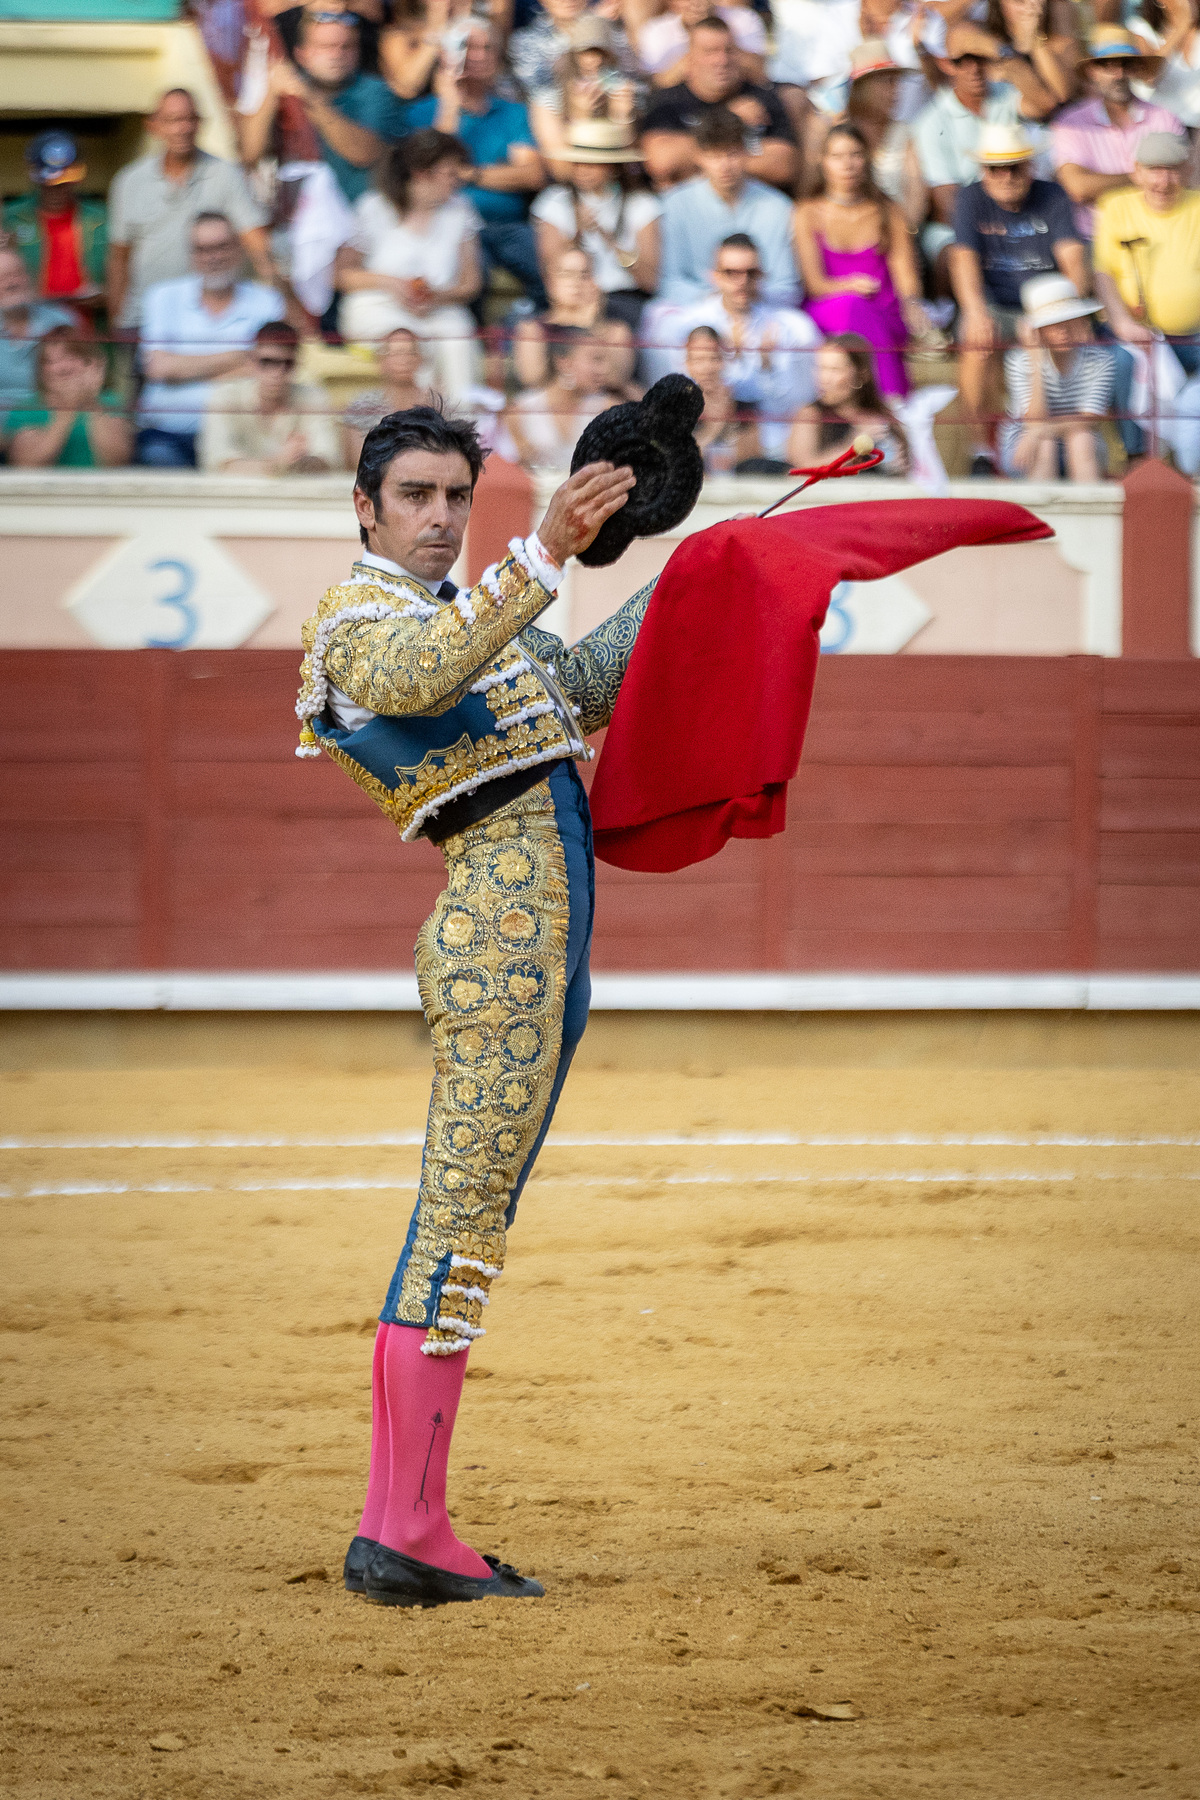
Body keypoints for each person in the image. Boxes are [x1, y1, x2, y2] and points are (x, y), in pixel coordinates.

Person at [293, 413, 645, 1608]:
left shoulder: (478, 619)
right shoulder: (354, 625)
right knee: (459, 1219)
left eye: (458, 494)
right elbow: (413, 674)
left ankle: (408, 1521)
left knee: (466, 1213)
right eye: (416, 494)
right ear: (365, 507)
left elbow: (583, 683)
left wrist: (713, 568)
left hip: (539, 947)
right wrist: (540, 550)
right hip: (497, 943)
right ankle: (405, 1529)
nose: (442, 514)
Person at [950, 122, 1088, 472]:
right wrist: (976, 312)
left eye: (1015, 166)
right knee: (975, 341)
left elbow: (1072, 255)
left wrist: (1070, 312)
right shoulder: (969, 198)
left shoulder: (1053, 195)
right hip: (995, 303)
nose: (1007, 176)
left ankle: (1056, 444)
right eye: (997, 168)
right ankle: (980, 450)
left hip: (1048, 304)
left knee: (1061, 338)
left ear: (1030, 167)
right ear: (984, 171)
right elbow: (962, 258)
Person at [107, 88, 290, 332]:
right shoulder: (130, 181)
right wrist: (115, 321)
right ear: (154, 126)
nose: (183, 128)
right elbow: (119, 258)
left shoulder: (224, 174)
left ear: (199, 123)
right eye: (173, 120)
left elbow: (258, 245)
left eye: (189, 119)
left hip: (204, 321)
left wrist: (287, 307)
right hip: (143, 318)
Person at [335, 129, 482, 399]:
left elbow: (470, 283)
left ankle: (463, 424)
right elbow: (343, 275)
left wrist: (437, 295)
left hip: (439, 310)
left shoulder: (461, 210)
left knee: (459, 338)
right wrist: (392, 283)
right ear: (422, 173)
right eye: (450, 173)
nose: (457, 181)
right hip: (381, 307)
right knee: (409, 344)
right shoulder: (373, 208)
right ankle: (418, 425)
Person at [136, 210, 287, 467]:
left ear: (238, 249)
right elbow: (158, 368)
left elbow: (269, 367)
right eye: (202, 250)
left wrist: (183, 368)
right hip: (170, 433)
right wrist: (241, 356)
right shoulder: (162, 296)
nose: (212, 257)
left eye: (221, 247)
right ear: (191, 255)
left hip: (241, 437)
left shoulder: (267, 300)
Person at [913, 22, 1052, 291]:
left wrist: (1002, 51)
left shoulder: (1006, 95)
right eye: (961, 61)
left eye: (980, 59)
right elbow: (947, 201)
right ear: (946, 65)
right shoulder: (931, 121)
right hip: (961, 222)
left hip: (1019, 208)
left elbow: (1044, 103)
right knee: (954, 255)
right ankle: (961, 320)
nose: (973, 69)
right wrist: (998, 231)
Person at [795, 122, 930, 397]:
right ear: (823, 161)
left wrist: (914, 305)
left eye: (854, 155)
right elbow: (815, 285)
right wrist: (849, 286)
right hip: (830, 307)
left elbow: (905, 277)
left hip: (884, 308)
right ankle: (891, 396)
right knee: (853, 307)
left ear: (866, 159)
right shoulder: (806, 213)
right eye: (837, 156)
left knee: (866, 314)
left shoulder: (889, 212)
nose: (847, 165)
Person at [240, 9, 417, 208]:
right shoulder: (286, 90)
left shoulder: (377, 91)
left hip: (360, 212)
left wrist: (310, 98)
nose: (337, 55)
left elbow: (364, 154)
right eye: (326, 47)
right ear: (301, 54)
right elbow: (249, 155)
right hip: (300, 216)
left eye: (346, 47)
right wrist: (270, 93)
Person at [1093, 130, 1200, 457]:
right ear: (1137, 171)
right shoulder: (1115, 206)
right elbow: (1104, 274)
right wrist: (1123, 321)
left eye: (1171, 169)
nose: (1163, 180)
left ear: (1185, 170)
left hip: (1193, 335)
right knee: (1124, 361)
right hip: (1138, 333)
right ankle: (1136, 456)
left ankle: (1189, 460)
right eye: (1154, 169)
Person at [430, 19, 548, 311]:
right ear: (450, 54)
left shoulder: (512, 112)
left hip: (507, 225)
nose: (480, 56)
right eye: (469, 48)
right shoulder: (424, 112)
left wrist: (469, 173)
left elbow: (531, 174)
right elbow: (434, 173)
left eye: (487, 48)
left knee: (548, 268)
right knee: (469, 273)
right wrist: (449, 103)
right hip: (449, 224)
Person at [672, 232, 821, 457]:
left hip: (774, 445)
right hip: (703, 441)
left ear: (762, 275)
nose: (742, 281)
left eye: (751, 273)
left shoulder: (791, 326)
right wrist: (733, 361)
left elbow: (799, 402)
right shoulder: (690, 323)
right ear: (714, 276)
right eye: (731, 273)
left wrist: (767, 365)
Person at [654, 107, 798, 306]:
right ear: (698, 157)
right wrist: (718, 303)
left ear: (747, 153)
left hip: (762, 308)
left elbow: (786, 287)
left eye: (732, 154)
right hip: (697, 309)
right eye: (714, 155)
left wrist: (744, 299)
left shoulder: (777, 206)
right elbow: (670, 283)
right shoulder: (676, 204)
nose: (724, 165)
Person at [639, 13, 799, 192]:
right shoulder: (668, 100)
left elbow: (783, 166)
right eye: (710, 51)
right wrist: (730, 120)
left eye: (729, 50)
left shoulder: (761, 97)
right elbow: (663, 161)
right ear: (690, 58)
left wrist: (698, 162)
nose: (722, 61)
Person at [1052, 26, 1185, 239]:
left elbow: (1182, 180)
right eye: (1107, 65)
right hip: (1096, 236)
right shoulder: (1071, 122)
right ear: (1091, 71)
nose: (1118, 74)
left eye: (1126, 64)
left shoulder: (1164, 117)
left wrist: (1105, 184)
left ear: (1135, 69)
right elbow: (1077, 187)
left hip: (1158, 234)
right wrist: (1143, 177)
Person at [530, 119, 662, 331]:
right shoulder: (554, 201)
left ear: (613, 167)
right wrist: (577, 234)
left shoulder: (642, 205)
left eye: (592, 163)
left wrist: (608, 239)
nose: (583, 170)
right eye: (578, 162)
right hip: (569, 302)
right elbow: (550, 273)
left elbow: (649, 279)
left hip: (622, 298)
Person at [1000, 273, 1114, 477]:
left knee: (1081, 439)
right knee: (1046, 446)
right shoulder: (1020, 360)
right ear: (1038, 330)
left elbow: (1088, 419)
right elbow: (1033, 420)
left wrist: (1038, 432)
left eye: (1068, 320)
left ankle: (1086, 505)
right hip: (1023, 447)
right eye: (1052, 323)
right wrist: (1035, 360)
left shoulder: (1100, 360)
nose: (1063, 330)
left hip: (1061, 441)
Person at [199, 320, 340, 472]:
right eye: (267, 362)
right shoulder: (225, 397)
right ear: (251, 362)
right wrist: (279, 464)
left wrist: (303, 462)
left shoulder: (314, 397)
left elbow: (328, 460)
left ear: (297, 365)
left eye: (287, 363)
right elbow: (218, 463)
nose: (276, 373)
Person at [2, 132, 107, 314]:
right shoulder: (11, 217)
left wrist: (104, 292)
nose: (56, 190)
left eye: (64, 183)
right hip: (30, 323)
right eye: (48, 184)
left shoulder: (101, 217)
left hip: (90, 322)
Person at [3, 325, 133, 468]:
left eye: (71, 358)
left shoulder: (110, 402)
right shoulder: (27, 409)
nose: (63, 368)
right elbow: (27, 465)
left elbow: (117, 461)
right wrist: (67, 409)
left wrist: (91, 403)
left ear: (89, 362)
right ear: (41, 371)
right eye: (52, 361)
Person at [787, 330, 910, 472]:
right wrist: (852, 448)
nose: (824, 379)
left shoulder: (882, 418)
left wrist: (896, 467)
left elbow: (907, 472)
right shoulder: (810, 414)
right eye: (820, 368)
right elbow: (799, 470)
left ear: (861, 375)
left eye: (835, 370)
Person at [527, 13, 639, 160]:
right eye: (587, 53)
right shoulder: (547, 100)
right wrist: (582, 117)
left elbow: (628, 164)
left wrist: (623, 117)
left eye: (602, 54)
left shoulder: (622, 91)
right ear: (573, 55)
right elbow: (561, 168)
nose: (596, 61)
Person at [843, 40, 926, 234]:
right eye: (887, 81)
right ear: (862, 87)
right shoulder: (838, 135)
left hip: (898, 233)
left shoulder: (906, 134)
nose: (896, 89)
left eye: (896, 81)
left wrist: (901, 235)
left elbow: (916, 196)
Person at [505, 325, 612, 466]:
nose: (604, 370)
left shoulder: (606, 409)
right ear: (564, 362)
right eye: (596, 360)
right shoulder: (520, 410)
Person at [509, 0, 642, 113]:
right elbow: (538, 90)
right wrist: (588, 30)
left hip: (612, 118)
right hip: (558, 119)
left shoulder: (611, 30)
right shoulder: (526, 40)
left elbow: (632, 78)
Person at [341, 324, 440, 463]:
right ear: (381, 360)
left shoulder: (436, 402)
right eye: (396, 353)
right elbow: (356, 459)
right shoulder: (363, 404)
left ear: (420, 359)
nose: (404, 360)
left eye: (410, 352)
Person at [513, 243, 607, 386]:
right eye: (566, 274)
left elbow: (613, 379)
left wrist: (590, 323)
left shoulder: (615, 331)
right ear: (549, 281)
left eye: (584, 275)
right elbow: (532, 379)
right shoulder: (532, 329)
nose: (576, 282)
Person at [0, 246, 77, 404]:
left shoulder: (61, 320)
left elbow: (77, 380)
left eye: (17, 274)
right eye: (2, 278)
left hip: (49, 413)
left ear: (28, 276)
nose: (11, 283)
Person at [683, 321, 763, 469]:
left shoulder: (743, 405)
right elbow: (677, 459)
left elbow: (753, 458)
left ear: (724, 361)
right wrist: (714, 427)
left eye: (714, 359)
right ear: (688, 364)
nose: (708, 368)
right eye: (699, 360)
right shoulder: (676, 409)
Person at [637, 0, 767, 87]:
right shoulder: (656, 30)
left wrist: (713, 28)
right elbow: (658, 83)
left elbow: (759, 71)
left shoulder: (744, 18)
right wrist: (697, 34)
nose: (695, 2)